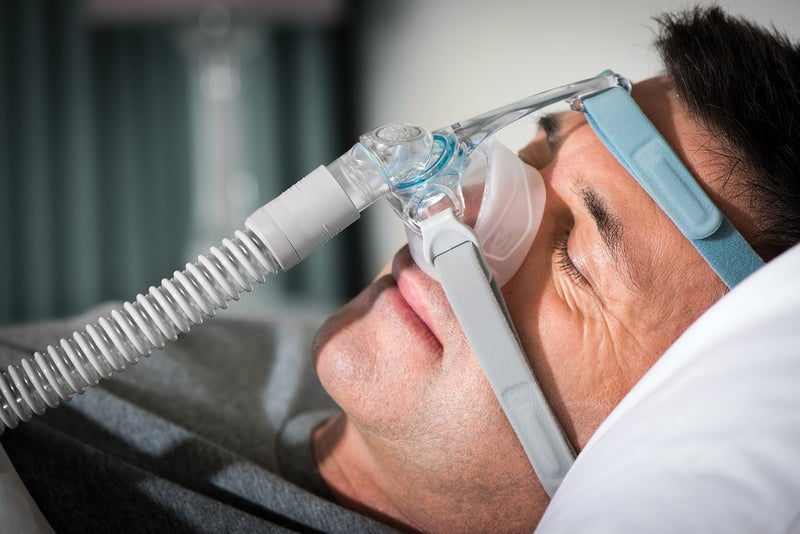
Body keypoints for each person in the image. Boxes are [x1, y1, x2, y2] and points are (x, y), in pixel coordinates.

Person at [0, 6, 798, 533]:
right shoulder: (236, 339)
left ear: (675, 404)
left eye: (574, 261)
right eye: (535, 152)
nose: (466, 208)